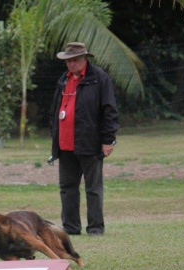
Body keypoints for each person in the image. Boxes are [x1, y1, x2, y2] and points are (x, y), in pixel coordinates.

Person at [49, 42, 120, 237]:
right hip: (65, 144)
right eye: (68, 61)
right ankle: (71, 227)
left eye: (75, 60)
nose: (71, 64)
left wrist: (108, 140)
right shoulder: (63, 79)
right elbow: (55, 110)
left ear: (85, 59)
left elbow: (109, 110)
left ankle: (95, 228)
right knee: (67, 188)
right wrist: (54, 137)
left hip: (90, 142)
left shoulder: (99, 78)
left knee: (93, 188)